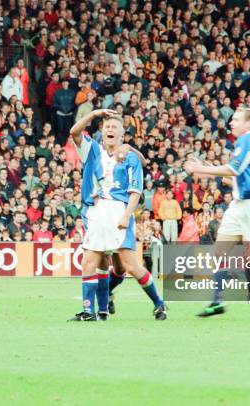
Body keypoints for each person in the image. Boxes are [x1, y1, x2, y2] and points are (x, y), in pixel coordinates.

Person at [184, 108, 250, 318]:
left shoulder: (249, 140)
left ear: (248, 124)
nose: (231, 123)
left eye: (236, 119)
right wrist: (204, 168)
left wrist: (201, 168)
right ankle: (217, 301)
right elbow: (234, 171)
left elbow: (233, 169)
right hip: (239, 204)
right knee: (220, 250)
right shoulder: (242, 142)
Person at [69, 109, 166, 321]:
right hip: (96, 211)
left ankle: (159, 303)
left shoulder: (129, 157)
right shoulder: (92, 150)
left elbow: (135, 190)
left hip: (118, 210)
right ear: (102, 132)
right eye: (107, 127)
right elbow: (74, 132)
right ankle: (90, 311)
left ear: (123, 134)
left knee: (126, 266)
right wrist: (94, 113)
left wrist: (126, 215)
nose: (110, 129)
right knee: (91, 261)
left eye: (114, 127)